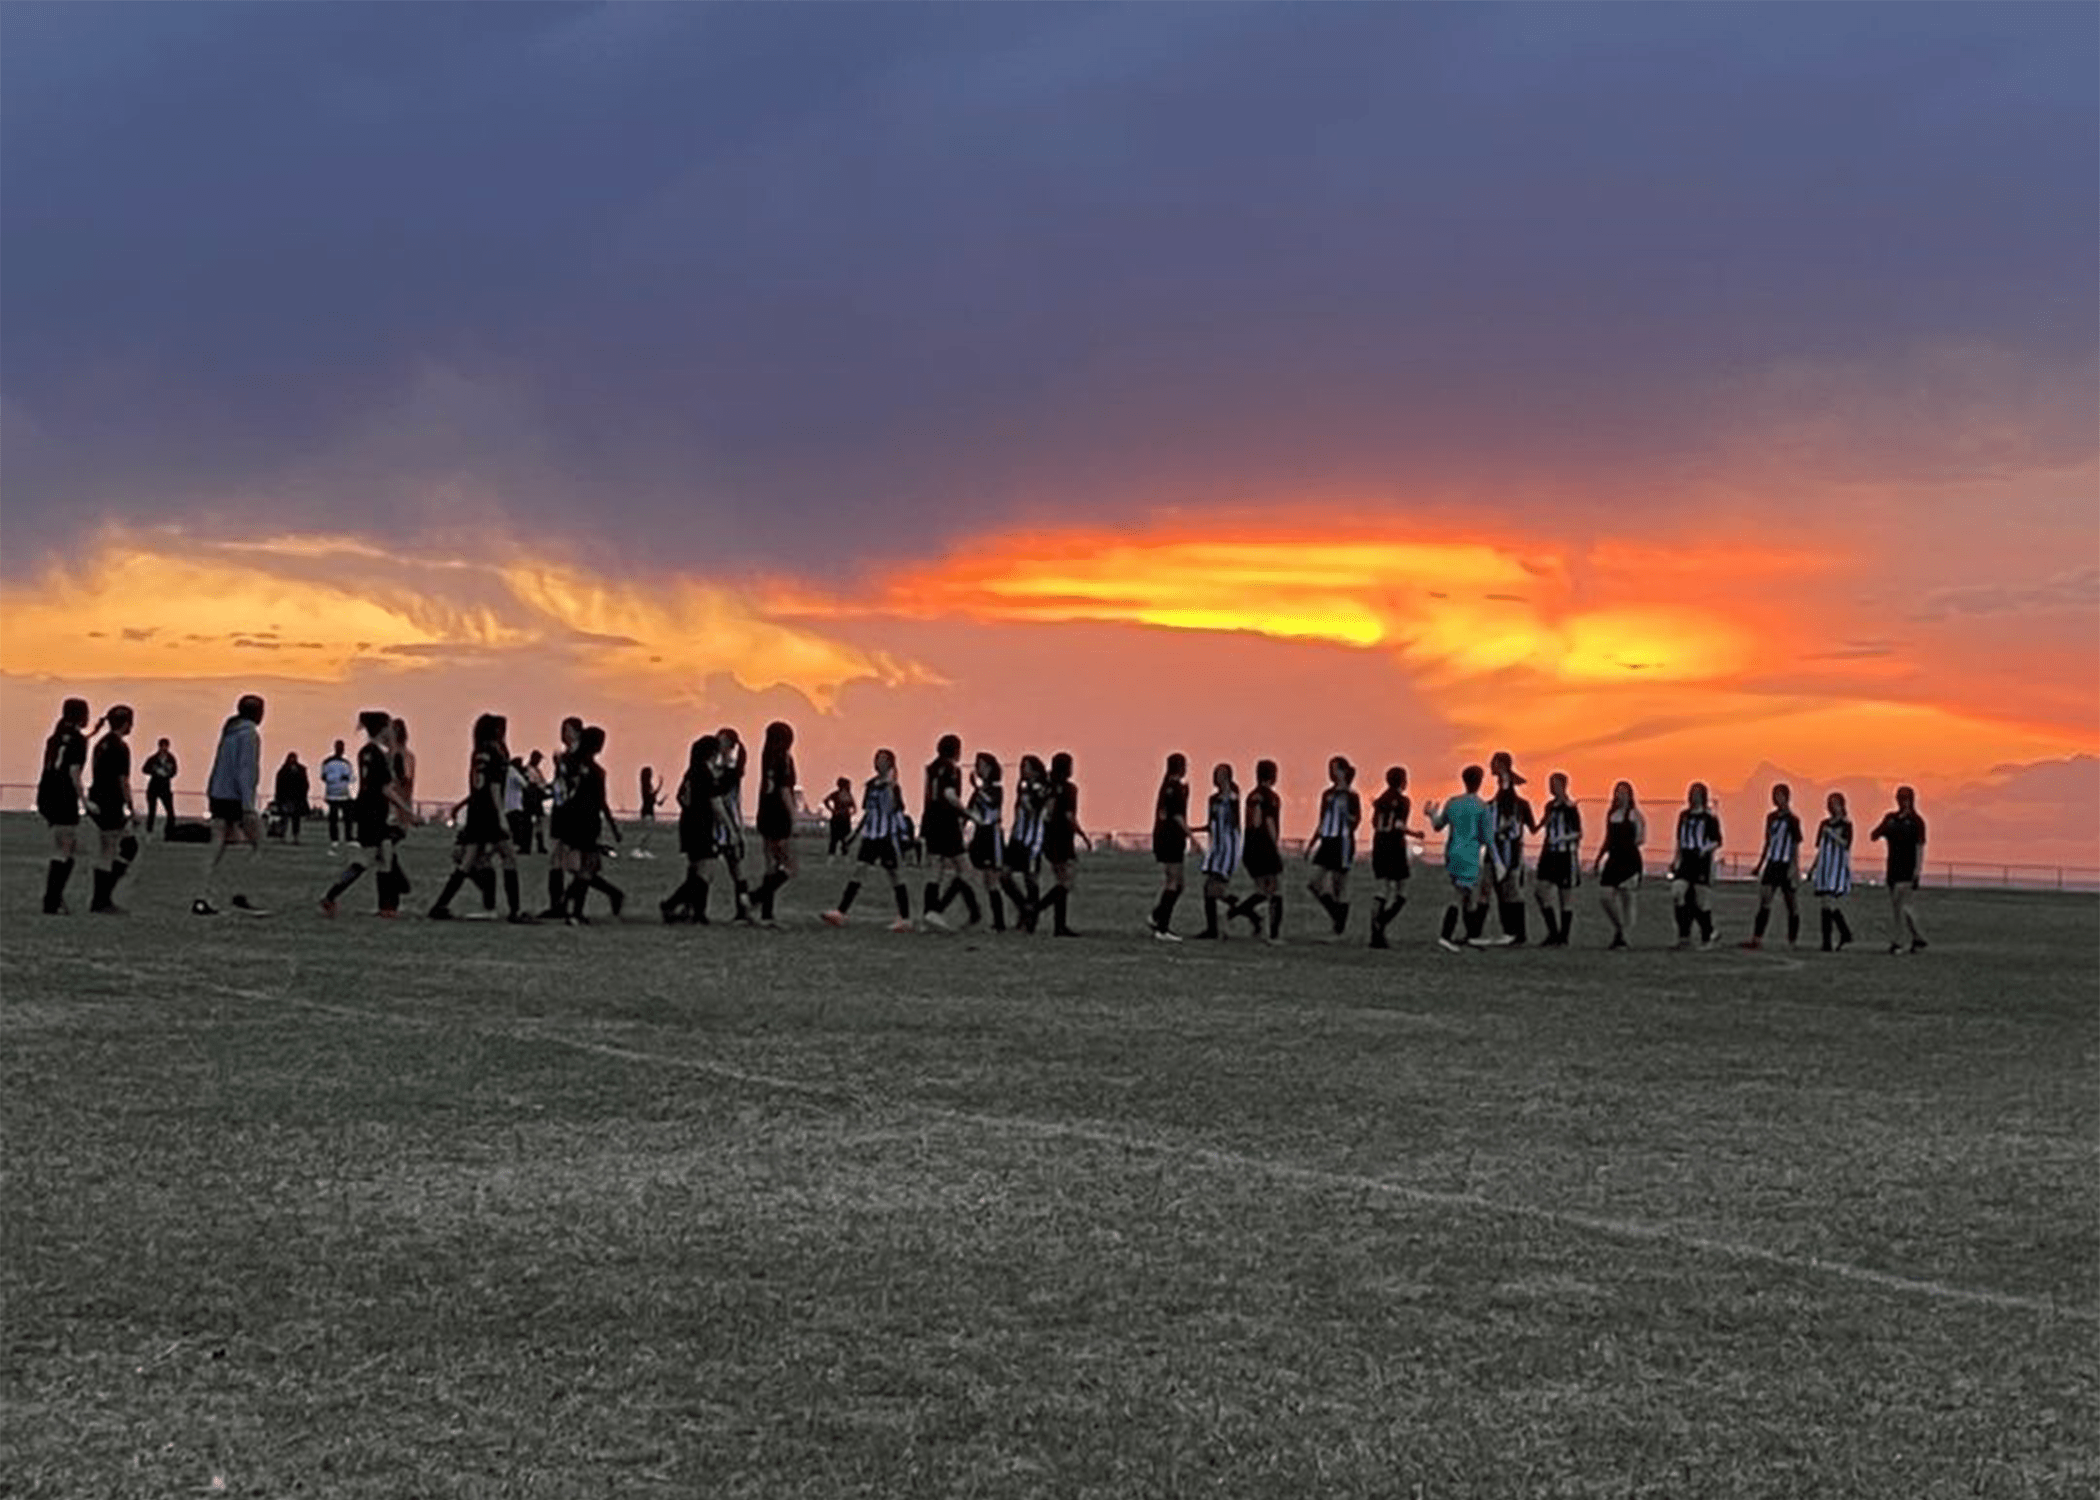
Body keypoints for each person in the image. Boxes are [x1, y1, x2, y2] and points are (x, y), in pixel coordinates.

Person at [430, 714, 527, 922]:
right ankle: (514, 911)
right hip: (489, 812)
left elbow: (478, 787)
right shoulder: (495, 752)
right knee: (508, 857)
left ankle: (441, 904)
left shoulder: (479, 751)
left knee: (469, 861)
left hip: (477, 811)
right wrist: (501, 817)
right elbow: (493, 787)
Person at [321, 712, 417, 917]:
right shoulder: (378, 755)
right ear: (382, 729)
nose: (391, 732)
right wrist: (407, 809)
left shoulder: (365, 751)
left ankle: (387, 906)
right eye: (389, 727)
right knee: (369, 859)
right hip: (374, 811)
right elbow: (385, 788)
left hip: (366, 810)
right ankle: (332, 897)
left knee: (385, 855)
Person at [822, 749, 915, 932]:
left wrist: (889, 785)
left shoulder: (894, 787)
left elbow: (893, 810)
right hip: (870, 837)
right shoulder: (870, 785)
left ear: (890, 764)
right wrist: (854, 835)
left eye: (882, 760)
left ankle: (905, 918)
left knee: (895, 875)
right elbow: (868, 813)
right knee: (859, 871)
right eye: (876, 759)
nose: (878, 762)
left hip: (886, 837)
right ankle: (840, 912)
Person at [195, 694, 269, 917]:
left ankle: (203, 894)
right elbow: (245, 770)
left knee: (217, 846)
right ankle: (240, 893)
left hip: (219, 794)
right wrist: (248, 805)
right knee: (258, 844)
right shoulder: (249, 735)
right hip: (236, 797)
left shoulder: (229, 731)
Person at [1426, 764, 1499, 951]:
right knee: (1462, 894)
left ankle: (1471, 935)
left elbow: (1438, 825)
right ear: (1480, 782)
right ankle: (1446, 935)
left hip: (1453, 852)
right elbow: (1488, 838)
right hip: (1470, 854)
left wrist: (1432, 814)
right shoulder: (1482, 807)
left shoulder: (1453, 803)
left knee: (1466, 895)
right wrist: (1498, 862)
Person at [559, 726, 624, 922]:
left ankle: (570, 904)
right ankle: (576, 910)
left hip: (571, 819)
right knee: (586, 868)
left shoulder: (570, 763)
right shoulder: (596, 771)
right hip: (588, 821)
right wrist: (613, 827)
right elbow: (601, 801)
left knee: (582, 867)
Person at [661, 734, 727, 923]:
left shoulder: (691, 772)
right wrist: (729, 827)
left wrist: (690, 809)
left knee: (697, 869)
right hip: (702, 825)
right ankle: (672, 903)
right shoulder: (705, 774)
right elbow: (715, 803)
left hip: (688, 824)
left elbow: (680, 797)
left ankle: (698, 913)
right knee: (706, 872)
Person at [36, 698, 91, 915]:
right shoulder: (78, 740)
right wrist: (85, 801)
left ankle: (55, 898)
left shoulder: (55, 737)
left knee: (67, 846)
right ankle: (52, 900)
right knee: (64, 848)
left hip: (47, 792)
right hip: (64, 795)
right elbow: (74, 772)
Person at [920, 733, 978, 931]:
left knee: (935, 869)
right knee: (965, 869)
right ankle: (940, 909)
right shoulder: (952, 769)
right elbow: (949, 795)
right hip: (947, 822)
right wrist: (967, 812)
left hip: (930, 820)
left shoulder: (931, 768)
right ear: (956, 750)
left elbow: (929, 795)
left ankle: (930, 913)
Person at [84, 705, 139, 914]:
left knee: (126, 846)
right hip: (111, 802)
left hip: (98, 797)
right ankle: (101, 899)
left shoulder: (101, 744)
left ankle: (104, 895)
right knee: (110, 849)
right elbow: (123, 780)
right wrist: (132, 808)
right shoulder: (120, 747)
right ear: (126, 723)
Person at [1226, 759, 1285, 942]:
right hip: (1264, 846)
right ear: (1273, 775)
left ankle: (1232, 914)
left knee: (1261, 890)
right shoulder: (1271, 797)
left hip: (1250, 847)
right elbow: (1266, 822)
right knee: (1276, 890)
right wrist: (1276, 846)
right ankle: (1274, 935)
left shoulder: (1252, 795)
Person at [1306, 755, 1362, 939]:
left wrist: (1346, 814)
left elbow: (1355, 821)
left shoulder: (1352, 796)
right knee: (1314, 883)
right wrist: (1312, 843)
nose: (1331, 772)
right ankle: (1337, 915)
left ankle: (1337, 929)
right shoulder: (1327, 794)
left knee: (1339, 886)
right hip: (1327, 841)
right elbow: (1322, 820)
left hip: (1342, 841)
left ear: (1343, 771)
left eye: (1335, 768)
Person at [750, 720, 799, 925]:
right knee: (789, 866)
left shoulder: (766, 756)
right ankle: (754, 898)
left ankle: (766, 915)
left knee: (770, 865)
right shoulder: (784, 759)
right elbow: (784, 790)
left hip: (765, 812)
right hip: (779, 815)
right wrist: (793, 815)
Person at [1366, 765, 1421, 950]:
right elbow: (1399, 824)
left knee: (1382, 888)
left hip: (1379, 844)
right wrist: (1415, 834)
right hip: (1395, 846)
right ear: (1403, 781)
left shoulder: (1380, 800)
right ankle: (1381, 921)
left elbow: (1374, 823)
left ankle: (1376, 934)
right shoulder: (1403, 801)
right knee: (1402, 890)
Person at [1744, 784, 1804, 950]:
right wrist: (1760, 864)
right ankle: (1757, 938)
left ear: (1786, 797)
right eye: (1774, 795)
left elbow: (1795, 845)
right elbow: (1768, 842)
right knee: (1765, 900)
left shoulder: (1793, 820)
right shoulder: (1771, 818)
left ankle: (1793, 941)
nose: (1776, 799)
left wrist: (1794, 868)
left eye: (1779, 795)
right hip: (1772, 863)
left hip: (1785, 864)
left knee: (1791, 904)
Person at [1871, 786, 1929, 955]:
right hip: (1893, 867)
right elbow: (1875, 834)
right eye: (1900, 798)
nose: (1902, 801)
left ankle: (1900, 940)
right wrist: (1884, 829)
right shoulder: (1891, 819)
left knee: (1902, 905)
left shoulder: (1916, 822)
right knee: (1899, 906)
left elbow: (1920, 847)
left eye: (1906, 798)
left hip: (1908, 868)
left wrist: (1917, 870)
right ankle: (1916, 937)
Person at [1488, 756, 1538, 945]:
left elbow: (1531, 827)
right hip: (1501, 851)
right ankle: (1510, 931)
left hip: (1512, 852)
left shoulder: (1518, 805)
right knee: (1502, 891)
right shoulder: (1494, 804)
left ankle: (1518, 932)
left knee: (1512, 891)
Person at [1038, 751, 1089, 937]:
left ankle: (1059, 925)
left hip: (1049, 836)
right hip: (1063, 838)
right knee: (1066, 881)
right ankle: (1037, 909)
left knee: (1061, 881)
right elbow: (1069, 815)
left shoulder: (1047, 787)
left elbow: (1046, 811)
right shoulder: (1069, 789)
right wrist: (1081, 834)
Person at [538, 718, 585, 917]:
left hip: (568, 812)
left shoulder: (576, 756)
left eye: (567, 730)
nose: (563, 734)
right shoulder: (566, 756)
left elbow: (572, 785)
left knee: (568, 861)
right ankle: (558, 903)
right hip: (560, 810)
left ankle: (560, 904)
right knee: (558, 859)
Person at [1668, 782, 1724, 950]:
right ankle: (1683, 935)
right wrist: (1675, 858)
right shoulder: (1684, 816)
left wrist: (1704, 850)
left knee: (1700, 900)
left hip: (1701, 861)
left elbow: (1717, 841)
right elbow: (1679, 839)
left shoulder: (1710, 818)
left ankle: (1708, 934)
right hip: (1686, 859)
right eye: (1692, 794)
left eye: (1698, 794)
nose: (1694, 797)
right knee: (1678, 892)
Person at [1000, 755, 1049, 933]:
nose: (1023, 771)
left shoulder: (1041, 788)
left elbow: (1039, 811)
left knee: (1031, 879)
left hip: (1032, 840)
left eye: (1026, 767)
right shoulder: (1022, 787)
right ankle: (1023, 906)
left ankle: (1030, 920)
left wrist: (1031, 802)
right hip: (1017, 839)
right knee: (1004, 876)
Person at [1148, 752, 1194, 941]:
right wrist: (1192, 837)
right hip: (1171, 839)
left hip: (1164, 838)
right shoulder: (1174, 788)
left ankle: (1157, 916)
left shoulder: (1167, 786)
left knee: (1179, 884)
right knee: (1173, 882)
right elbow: (1177, 816)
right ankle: (1162, 929)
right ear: (1181, 767)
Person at [1194, 762, 1243, 940]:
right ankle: (1213, 927)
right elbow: (1211, 824)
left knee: (1215, 888)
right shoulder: (1213, 800)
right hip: (1216, 848)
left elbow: (1235, 825)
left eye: (1220, 774)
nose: (1216, 778)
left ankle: (1239, 911)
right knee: (1208, 888)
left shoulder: (1233, 799)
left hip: (1228, 848)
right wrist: (1194, 831)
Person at [1534, 773, 1582, 947]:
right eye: (1550, 784)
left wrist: (1561, 839)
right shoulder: (1550, 806)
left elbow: (1578, 833)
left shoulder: (1570, 808)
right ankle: (1553, 931)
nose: (1551, 788)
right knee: (1540, 891)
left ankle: (1563, 937)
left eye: (1554, 784)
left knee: (1565, 896)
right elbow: (1543, 825)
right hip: (1549, 854)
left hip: (1565, 855)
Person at [1595, 781, 1645, 949]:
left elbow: (1641, 838)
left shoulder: (1635, 814)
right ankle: (1620, 928)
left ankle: (1624, 937)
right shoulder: (1611, 814)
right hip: (1613, 860)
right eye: (1618, 792)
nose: (1620, 795)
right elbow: (1607, 838)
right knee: (1605, 896)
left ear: (1630, 795)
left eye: (1624, 792)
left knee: (1627, 897)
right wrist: (1598, 858)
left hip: (1629, 860)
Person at [714, 727, 755, 922]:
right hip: (722, 823)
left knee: (735, 869)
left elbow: (723, 795)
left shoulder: (728, 767)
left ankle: (743, 909)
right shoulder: (721, 764)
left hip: (726, 824)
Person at [966, 752, 1008, 932]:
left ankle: (999, 923)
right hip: (979, 835)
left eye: (981, 765)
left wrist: (977, 788)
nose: (978, 769)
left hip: (992, 836)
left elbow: (992, 804)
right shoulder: (978, 792)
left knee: (992, 880)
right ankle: (975, 912)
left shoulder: (996, 789)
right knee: (969, 874)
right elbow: (967, 811)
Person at [1810, 792, 1856, 953]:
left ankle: (1829, 941)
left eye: (1835, 803)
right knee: (1827, 904)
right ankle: (1842, 934)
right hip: (1824, 866)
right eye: (1830, 803)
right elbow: (1820, 848)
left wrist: (1832, 835)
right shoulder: (1824, 824)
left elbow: (1846, 844)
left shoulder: (1846, 825)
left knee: (1828, 903)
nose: (1832, 807)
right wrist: (1813, 867)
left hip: (1836, 868)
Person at [319, 740, 354, 852]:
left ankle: (335, 839)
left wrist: (331, 780)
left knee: (334, 818)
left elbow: (323, 777)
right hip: (343, 793)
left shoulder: (326, 762)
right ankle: (348, 838)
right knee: (346, 818)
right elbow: (350, 778)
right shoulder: (346, 763)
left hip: (331, 793)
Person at [142, 737, 179, 836]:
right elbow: (144, 769)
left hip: (165, 787)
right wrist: (155, 771)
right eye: (162, 746)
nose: (164, 748)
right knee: (152, 811)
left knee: (170, 812)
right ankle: (149, 831)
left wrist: (166, 772)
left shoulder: (171, 759)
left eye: (165, 746)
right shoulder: (153, 758)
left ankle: (170, 831)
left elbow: (174, 772)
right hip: (153, 786)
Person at [273, 752, 311, 845]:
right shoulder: (283, 770)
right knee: (284, 818)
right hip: (286, 798)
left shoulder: (301, 770)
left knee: (295, 819)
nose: (292, 760)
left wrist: (303, 795)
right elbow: (278, 785)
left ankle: (295, 837)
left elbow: (305, 784)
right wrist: (278, 798)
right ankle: (283, 837)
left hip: (297, 798)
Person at [631, 766, 662, 861]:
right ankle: (638, 849)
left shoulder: (649, 786)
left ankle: (644, 850)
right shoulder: (645, 786)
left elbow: (654, 800)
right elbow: (650, 797)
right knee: (646, 832)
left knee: (649, 832)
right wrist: (660, 786)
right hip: (647, 811)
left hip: (650, 811)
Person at [822, 777, 857, 858]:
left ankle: (840, 853)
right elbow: (826, 801)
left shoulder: (847, 795)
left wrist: (852, 812)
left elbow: (854, 807)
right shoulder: (838, 794)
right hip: (838, 818)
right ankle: (835, 854)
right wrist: (832, 810)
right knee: (836, 838)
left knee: (843, 838)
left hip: (844, 818)